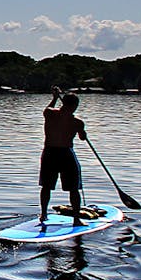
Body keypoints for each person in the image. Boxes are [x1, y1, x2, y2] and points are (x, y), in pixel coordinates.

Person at [40, 85, 87, 226]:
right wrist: (83, 132)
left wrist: (54, 98)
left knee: (47, 186)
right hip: (65, 153)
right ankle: (76, 219)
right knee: (73, 188)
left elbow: (48, 109)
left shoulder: (49, 113)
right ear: (74, 106)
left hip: (49, 153)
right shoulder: (77, 122)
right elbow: (82, 138)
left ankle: (43, 215)